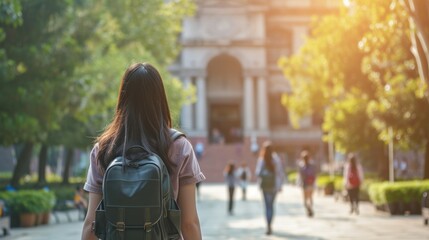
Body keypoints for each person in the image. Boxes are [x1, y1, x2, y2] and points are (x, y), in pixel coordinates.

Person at [81, 62, 205, 240]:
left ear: (123, 98)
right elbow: (189, 223)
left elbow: (91, 223)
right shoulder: (179, 146)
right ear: (160, 98)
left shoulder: (104, 147)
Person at [255, 141, 284, 235]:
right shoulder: (276, 159)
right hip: (274, 185)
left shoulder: (262, 159)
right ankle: (270, 224)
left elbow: (258, 173)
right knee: (271, 205)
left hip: (265, 185)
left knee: (267, 206)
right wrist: (280, 185)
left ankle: (268, 226)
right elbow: (280, 173)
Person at [298, 150, 317, 218]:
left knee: (305, 198)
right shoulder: (312, 165)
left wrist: (299, 183)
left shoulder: (301, 165)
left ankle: (308, 209)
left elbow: (300, 176)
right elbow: (315, 174)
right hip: (311, 184)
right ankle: (310, 208)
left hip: (304, 184)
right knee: (310, 197)